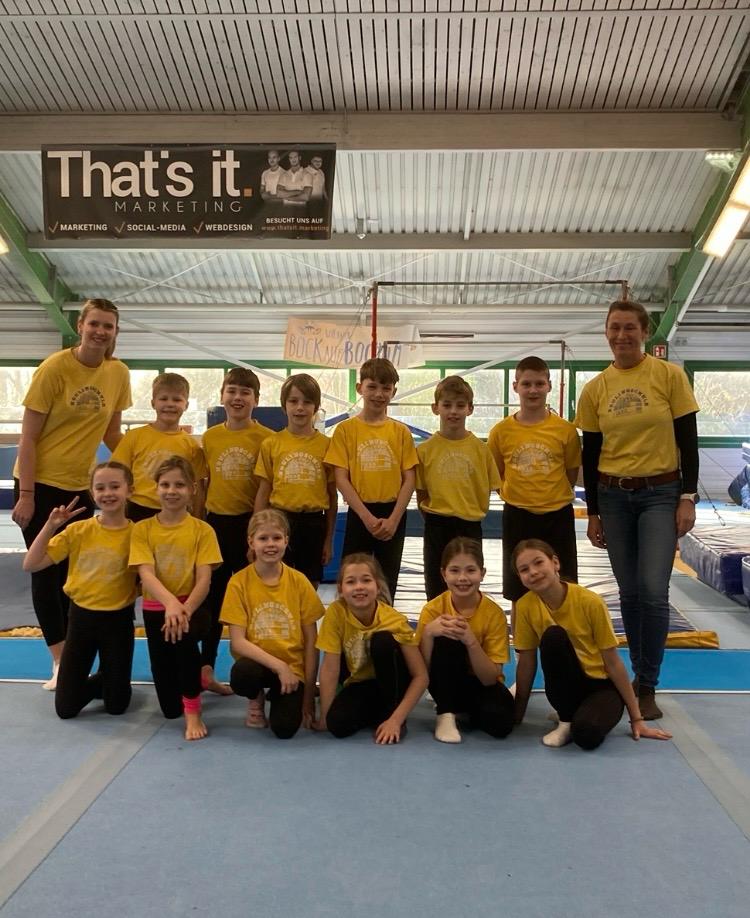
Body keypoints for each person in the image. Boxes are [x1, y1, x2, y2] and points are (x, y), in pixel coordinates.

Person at [575, 299, 699, 720]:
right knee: (628, 591)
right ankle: (634, 677)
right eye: (615, 328)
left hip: (660, 493)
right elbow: (591, 454)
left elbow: (688, 439)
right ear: (606, 333)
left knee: (652, 589)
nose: (622, 335)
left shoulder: (669, 376)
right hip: (613, 496)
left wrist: (688, 496)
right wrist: (593, 511)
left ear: (645, 332)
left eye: (630, 327)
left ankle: (648, 684)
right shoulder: (596, 388)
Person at [12, 298, 131, 689]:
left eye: (108, 326)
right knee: (45, 571)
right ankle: (60, 659)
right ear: (80, 326)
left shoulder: (118, 373)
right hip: (41, 482)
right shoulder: (54, 369)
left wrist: (143, 466)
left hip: (80, 486)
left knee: (72, 572)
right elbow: (28, 437)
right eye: (94, 323)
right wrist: (27, 494)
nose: (100, 331)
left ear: (115, 332)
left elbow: (112, 434)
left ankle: (75, 653)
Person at [511, 539, 672, 750]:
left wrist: (636, 718)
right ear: (520, 577)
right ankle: (566, 718)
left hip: (601, 687)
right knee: (553, 636)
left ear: (555, 563)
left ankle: (578, 717)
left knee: (586, 735)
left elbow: (613, 662)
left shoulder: (590, 602)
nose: (533, 572)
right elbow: (526, 662)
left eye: (538, 562)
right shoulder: (525, 606)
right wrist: (518, 714)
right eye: (524, 569)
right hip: (566, 686)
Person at [23, 461, 137, 719]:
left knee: (116, 706)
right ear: (92, 492)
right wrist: (50, 526)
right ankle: (106, 677)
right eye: (101, 488)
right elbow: (31, 564)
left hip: (118, 621)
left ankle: (113, 678)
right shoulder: (78, 531)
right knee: (65, 709)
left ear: (129, 490)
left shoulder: (138, 534)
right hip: (81, 621)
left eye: (115, 486)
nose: (108, 493)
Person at [129, 456, 222, 741]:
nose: (172, 491)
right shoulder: (143, 529)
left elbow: (204, 580)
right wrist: (170, 604)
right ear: (156, 488)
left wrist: (183, 610)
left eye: (179, 485)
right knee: (170, 709)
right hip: (157, 607)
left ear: (192, 489)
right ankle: (199, 679)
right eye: (165, 485)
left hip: (193, 606)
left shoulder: (202, 530)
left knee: (183, 640)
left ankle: (193, 711)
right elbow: (146, 574)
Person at [487, 356, 580, 629]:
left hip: (557, 515)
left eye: (539, 384)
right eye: (526, 384)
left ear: (549, 385)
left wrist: (550, 496)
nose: (533, 390)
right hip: (518, 516)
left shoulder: (565, 431)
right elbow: (497, 474)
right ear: (515, 386)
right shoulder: (501, 432)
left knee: (564, 584)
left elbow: (570, 473)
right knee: (519, 588)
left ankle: (567, 641)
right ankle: (522, 645)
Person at [220, 509, 325, 738]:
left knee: (285, 730)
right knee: (242, 674)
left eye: (276, 538)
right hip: (257, 665)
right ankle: (255, 697)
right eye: (263, 538)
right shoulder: (238, 583)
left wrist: (308, 696)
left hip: (292, 668)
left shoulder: (299, 582)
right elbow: (238, 642)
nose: (270, 544)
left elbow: (311, 642)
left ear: (286, 541)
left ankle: (279, 693)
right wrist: (279, 667)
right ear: (251, 542)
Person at [200, 368, 274, 694]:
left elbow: (266, 489)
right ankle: (206, 668)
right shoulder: (210, 438)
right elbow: (203, 486)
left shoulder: (266, 439)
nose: (238, 398)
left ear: (256, 399)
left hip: (249, 525)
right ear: (222, 396)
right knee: (213, 600)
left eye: (245, 392)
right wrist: (199, 526)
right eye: (232, 391)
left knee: (252, 600)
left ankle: (257, 671)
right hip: (215, 525)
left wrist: (256, 535)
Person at [325, 358, 418, 602]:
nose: (379, 394)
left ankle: (384, 624)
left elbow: (409, 479)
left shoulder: (400, 432)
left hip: (393, 514)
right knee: (353, 580)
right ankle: (351, 625)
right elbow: (341, 478)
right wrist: (366, 517)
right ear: (360, 388)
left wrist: (394, 519)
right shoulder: (345, 430)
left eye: (386, 388)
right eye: (372, 387)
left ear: (394, 392)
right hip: (360, 512)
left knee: (387, 582)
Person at [315, 553, 428, 743]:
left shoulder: (392, 620)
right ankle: (377, 713)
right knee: (337, 725)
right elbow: (329, 668)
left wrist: (396, 720)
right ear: (341, 589)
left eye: (366, 580)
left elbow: (421, 676)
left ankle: (392, 711)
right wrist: (325, 716)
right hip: (362, 684)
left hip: (393, 684)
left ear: (378, 586)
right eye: (351, 582)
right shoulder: (336, 613)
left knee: (382, 640)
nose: (359, 587)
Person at [416, 538, 514, 743]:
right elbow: (420, 671)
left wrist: (471, 642)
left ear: (482, 573)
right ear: (444, 574)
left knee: (501, 725)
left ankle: (462, 711)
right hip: (444, 681)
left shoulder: (494, 614)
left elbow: (489, 679)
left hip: (479, 682)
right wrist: (428, 634)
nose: (462, 578)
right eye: (454, 571)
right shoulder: (432, 609)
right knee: (446, 632)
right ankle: (446, 712)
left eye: (470, 570)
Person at [416, 375, 501, 600]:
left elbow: (489, 488)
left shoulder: (481, 450)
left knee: (467, 584)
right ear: (435, 408)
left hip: (470, 524)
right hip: (437, 524)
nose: (453, 411)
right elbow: (421, 493)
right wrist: (435, 517)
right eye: (447, 405)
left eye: (460, 405)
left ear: (470, 409)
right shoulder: (424, 451)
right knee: (436, 585)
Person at [254, 373, 337, 587]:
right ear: (284, 406)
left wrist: (329, 540)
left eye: (307, 402)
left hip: (314, 523)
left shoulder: (327, 445)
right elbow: (263, 492)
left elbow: (332, 496)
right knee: (277, 581)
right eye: (293, 401)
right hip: (279, 520)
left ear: (316, 407)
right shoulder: (271, 444)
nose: (300, 407)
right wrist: (255, 534)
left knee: (309, 584)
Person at [112, 373, 207, 522]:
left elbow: (199, 489)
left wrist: (198, 519)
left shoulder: (191, 446)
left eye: (177, 399)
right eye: (163, 399)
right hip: (137, 509)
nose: (170, 404)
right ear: (153, 403)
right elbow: (117, 476)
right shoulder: (134, 437)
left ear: (186, 405)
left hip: (176, 511)